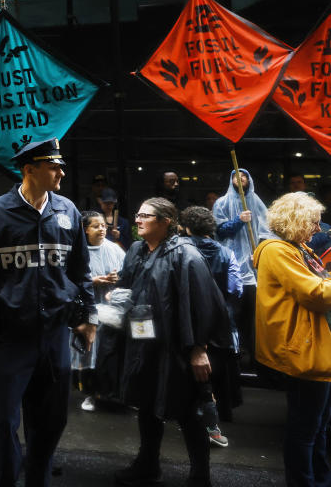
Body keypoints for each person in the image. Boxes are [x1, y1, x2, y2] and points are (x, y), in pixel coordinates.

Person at [0, 138, 95, 487]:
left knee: (52, 420)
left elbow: (81, 271)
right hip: (13, 337)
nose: (61, 171)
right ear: (30, 169)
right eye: (53, 166)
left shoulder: (68, 211)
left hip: (56, 335)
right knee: (5, 422)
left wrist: (89, 316)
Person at [111, 198, 232, 487]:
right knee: (147, 404)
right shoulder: (137, 251)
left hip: (178, 347)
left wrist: (199, 349)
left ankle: (200, 475)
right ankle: (147, 464)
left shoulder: (185, 254)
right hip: (144, 344)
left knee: (189, 412)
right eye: (137, 214)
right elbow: (128, 287)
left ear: (166, 221)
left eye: (145, 216)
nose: (138, 220)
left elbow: (205, 304)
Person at [252, 192, 331, 487]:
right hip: (303, 355)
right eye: (314, 221)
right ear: (295, 220)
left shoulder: (298, 249)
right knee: (306, 431)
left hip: (315, 351)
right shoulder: (278, 250)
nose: (318, 229)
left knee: (318, 428)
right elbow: (315, 294)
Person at [179, 205, 244, 446]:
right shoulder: (226, 253)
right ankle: (211, 424)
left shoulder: (179, 250)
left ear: (186, 227)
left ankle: (195, 420)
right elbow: (235, 288)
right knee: (212, 373)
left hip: (186, 320)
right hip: (218, 322)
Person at [213, 169, 270, 355]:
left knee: (254, 315)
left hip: (253, 268)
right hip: (232, 264)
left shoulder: (256, 202)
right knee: (233, 312)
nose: (240, 179)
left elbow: (267, 230)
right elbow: (220, 230)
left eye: (244, 176)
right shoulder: (221, 202)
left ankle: (256, 354)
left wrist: (261, 251)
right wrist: (239, 220)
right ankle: (234, 353)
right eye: (236, 176)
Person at [72, 211, 124, 413]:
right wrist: (94, 281)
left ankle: (110, 393)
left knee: (108, 352)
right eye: (96, 226)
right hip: (87, 309)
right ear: (85, 229)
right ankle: (91, 394)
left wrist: (116, 280)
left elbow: (127, 272)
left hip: (111, 310)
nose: (102, 229)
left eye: (103, 225)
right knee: (88, 354)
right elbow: (69, 280)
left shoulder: (114, 249)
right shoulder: (78, 252)